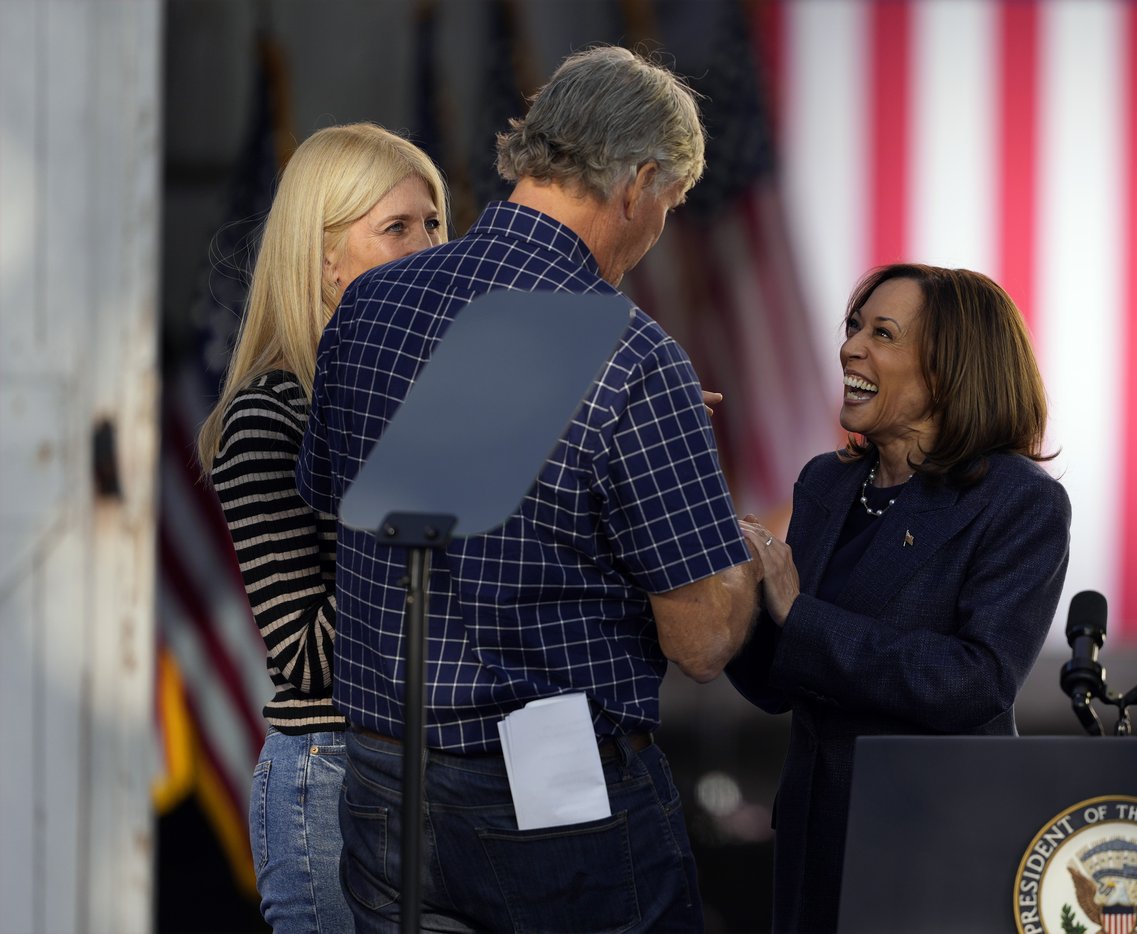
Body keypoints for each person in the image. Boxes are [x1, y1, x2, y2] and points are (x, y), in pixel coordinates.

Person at [296, 46, 761, 932]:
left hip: (384, 776)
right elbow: (701, 641)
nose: (660, 226)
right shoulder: (634, 355)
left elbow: (331, 495)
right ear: (639, 183)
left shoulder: (370, 305)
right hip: (552, 795)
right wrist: (743, 556)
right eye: (668, 203)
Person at [727, 263, 1072, 933]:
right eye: (855, 327)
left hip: (933, 846)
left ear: (950, 370)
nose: (851, 347)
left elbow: (975, 682)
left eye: (882, 334)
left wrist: (799, 614)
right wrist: (728, 600)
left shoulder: (1018, 502)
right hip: (813, 841)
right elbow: (782, 680)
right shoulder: (826, 482)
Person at [197, 122, 448, 932]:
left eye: (435, 222)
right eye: (396, 228)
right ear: (322, 259)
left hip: (451, 777)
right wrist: (424, 491)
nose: (429, 246)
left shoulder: (448, 412)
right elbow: (304, 656)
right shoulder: (270, 417)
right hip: (334, 778)